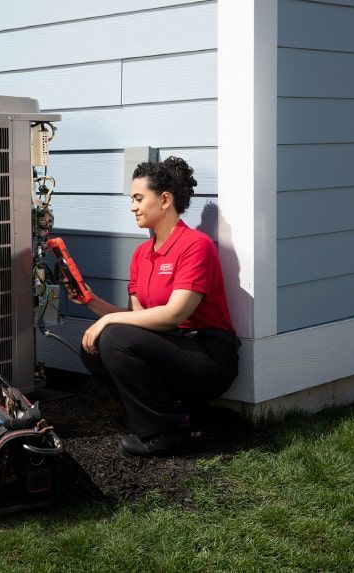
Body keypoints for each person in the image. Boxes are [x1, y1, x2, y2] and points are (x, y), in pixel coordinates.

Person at [72, 157, 239, 457]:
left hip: (208, 355)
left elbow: (175, 314)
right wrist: (91, 302)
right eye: (132, 199)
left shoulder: (195, 245)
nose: (132, 207)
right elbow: (137, 320)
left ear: (164, 200)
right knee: (92, 346)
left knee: (112, 336)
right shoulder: (141, 255)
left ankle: (166, 431)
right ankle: (174, 414)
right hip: (171, 348)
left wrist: (107, 324)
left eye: (138, 198)